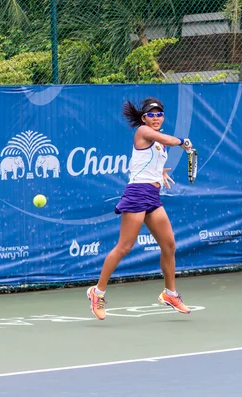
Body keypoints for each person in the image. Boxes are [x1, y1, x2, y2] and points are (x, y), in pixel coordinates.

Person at [86, 97, 193, 320]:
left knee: (169, 244)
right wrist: (182, 141)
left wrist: (160, 172)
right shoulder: (144, 131)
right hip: (136, 194)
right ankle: (97, 292)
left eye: (159, 114)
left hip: (153, 195)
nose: (156, 117)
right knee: (124, 246)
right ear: (144, 118)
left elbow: (149, 159)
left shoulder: (159, 142)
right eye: (151, 114)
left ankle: (170, 294)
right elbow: (168, 139)